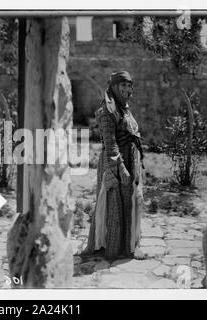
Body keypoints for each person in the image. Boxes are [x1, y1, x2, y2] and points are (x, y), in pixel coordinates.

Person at [82, 71, 145, 261]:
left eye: (129, 85)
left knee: (129, 203)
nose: (127, 89)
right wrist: (122, 168)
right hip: (115, 163)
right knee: (114, 204)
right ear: (114, 87)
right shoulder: (107, 110)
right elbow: (110, 143)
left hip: (130, 160)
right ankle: (111, 247)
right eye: (123, 85)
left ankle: (128, 246)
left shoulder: (124, 108)